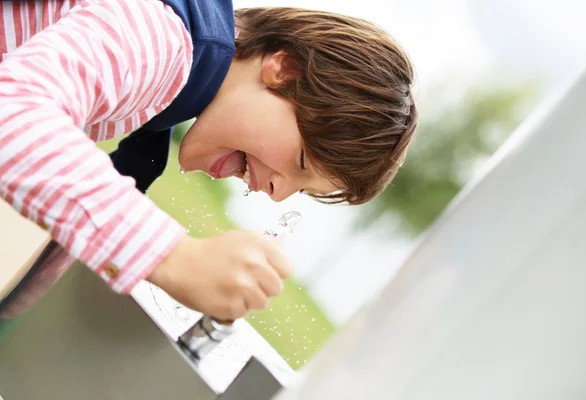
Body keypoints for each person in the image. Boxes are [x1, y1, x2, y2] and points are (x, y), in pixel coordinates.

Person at [0, 0, 417, 321]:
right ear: (283, 69)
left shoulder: (175, 64)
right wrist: (171, 255)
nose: (276, 193)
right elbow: (12, 111)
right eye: (301, 160)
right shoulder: (162, 37)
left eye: (301, 189)